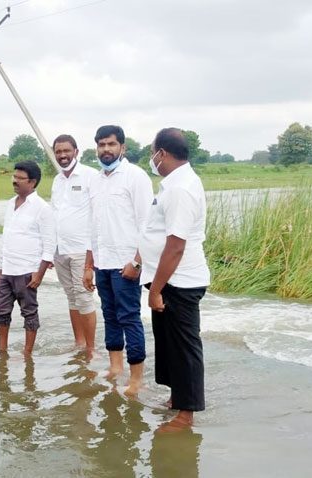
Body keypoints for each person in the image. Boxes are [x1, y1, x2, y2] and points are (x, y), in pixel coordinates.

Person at [140, 128, 210, 429]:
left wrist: (156, 290)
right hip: (166, 280)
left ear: (162, 154)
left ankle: (186, 412)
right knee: (168, 344)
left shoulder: (181, 189)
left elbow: (176, 244)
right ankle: (176, 398)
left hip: (179, 282)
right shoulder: (172, 185)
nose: (152, 158)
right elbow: (156, 233)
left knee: (184, 346)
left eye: (153, 152)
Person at [83, 125, 153, 396]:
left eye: (111, 144)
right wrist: (89, 265)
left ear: (122, 148)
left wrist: (136, 262)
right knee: (110, 316)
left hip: (126, 264)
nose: (106, 150)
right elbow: (93, 226)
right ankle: (115, 368)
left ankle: (137, 380)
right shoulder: (96, 180)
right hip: (103, 261)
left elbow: (147, 225)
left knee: (129, 317)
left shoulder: (136, 177)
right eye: (101, 145)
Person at [0, 160, 56, 357]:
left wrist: (39, 274)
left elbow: (49, 244)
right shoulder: (10, 204)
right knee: (1, 311)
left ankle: (27, 353)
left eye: (20, 178)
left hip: (27, 272)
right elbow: (7, 237)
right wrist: (0, 265)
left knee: (29, 313)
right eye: (14, 177)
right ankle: (2, 349)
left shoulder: (42, 208)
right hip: (7, 270)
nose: (15, 181)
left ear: (33, 182)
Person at [50, 134, 99, 355]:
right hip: (60, 249)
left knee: (84, 297)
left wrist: (91, 258)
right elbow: (54, 214)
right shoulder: (57, 180)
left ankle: (91, 349)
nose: (62, 155)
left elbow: (97, 215)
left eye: (66, 151)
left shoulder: (90, 176)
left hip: (82, 249)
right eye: (58, 152)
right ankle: (78, 343)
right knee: (71, 296)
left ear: (76, 152)